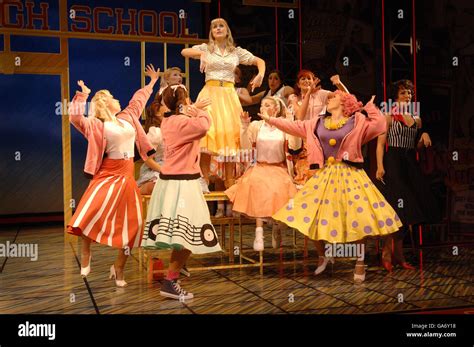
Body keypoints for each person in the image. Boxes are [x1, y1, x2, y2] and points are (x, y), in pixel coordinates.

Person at [260, 89, 401, 283]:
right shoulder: (317, 123)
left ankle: (360, 262)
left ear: (344, 102)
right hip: (326, 174)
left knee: (359, 219)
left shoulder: (357, 120)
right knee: (311, 214)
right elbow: (293, 126)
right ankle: (323, 254)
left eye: (333, 97)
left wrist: (369, 107)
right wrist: (270, 120)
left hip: (351, 174)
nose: (329, 99)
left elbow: (380, 124)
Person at [67, 65, 161, 287]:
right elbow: (74, 117)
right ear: (105, 102)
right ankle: (87, 251)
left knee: (134, 226)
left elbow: (138, 101)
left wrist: (151, 83)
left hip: (127, 175)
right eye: (113, 97)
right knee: (89, 213)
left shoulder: (128, 117)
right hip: (107, 173)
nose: (118, 99)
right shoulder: (97, 124)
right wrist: (83, 94)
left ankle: (118, 267)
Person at [142, 85, 220, 300]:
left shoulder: (169, 120)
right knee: (191, 235)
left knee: (184, 234)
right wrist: (198, 110)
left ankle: (175, 272)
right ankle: (171, 279)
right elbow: (204, 126)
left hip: (175, 182)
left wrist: (191, 108)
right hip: (182, 183)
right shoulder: (181, 122)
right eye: (187, 97)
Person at [181, 17, 266, 190]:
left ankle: (229, 182)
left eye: (221, 26)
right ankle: (203, 183)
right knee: (208, 133)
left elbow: (259, 61)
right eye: (214, 27)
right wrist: (202, 54)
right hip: (210, 93)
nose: (218, 29)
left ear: (227, 31)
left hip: (228, 95)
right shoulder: (206, 48)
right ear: (211, 32)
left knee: (229, 135)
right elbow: (184, 52)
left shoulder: (236, 52)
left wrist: (260, 74)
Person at [375, 79, 440, 272]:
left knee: (408, 212)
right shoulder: (388, 116)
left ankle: (397, 255)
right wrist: (379, 166)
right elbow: (380, 144)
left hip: (410, 163)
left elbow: (415, 146)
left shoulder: (416, 118)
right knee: (397, 209)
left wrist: (423, 138)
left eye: (410, 93)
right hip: (393, 162)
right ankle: (388, 253)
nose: (407, 96)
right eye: (403, 93)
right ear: (396, 96)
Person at [225, 96, 301, 250]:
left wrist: (290, 123)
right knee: (256, 185)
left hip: (279, 169)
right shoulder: (256, 126)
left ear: (276, 109)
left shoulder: (283, 126)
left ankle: (276, 228)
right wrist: (244, 127)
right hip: (259, 167)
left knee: (279, 189)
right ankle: (259, 232)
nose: (263, 108)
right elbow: (246, 149)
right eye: (261, 105)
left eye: (267, 105)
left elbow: (295, 146)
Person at [288, 70, 349, 186]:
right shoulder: (294, 97)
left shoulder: (321, 94)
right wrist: (308, 93)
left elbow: (347, 98)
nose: (306, 81)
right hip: (302, 142)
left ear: (313, 81)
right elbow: (300, 116)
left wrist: (338, 83)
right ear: (297, 83)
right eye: (303, 78)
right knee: (304, 178)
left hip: (320, 140)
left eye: (309, 78)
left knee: (321, 178)